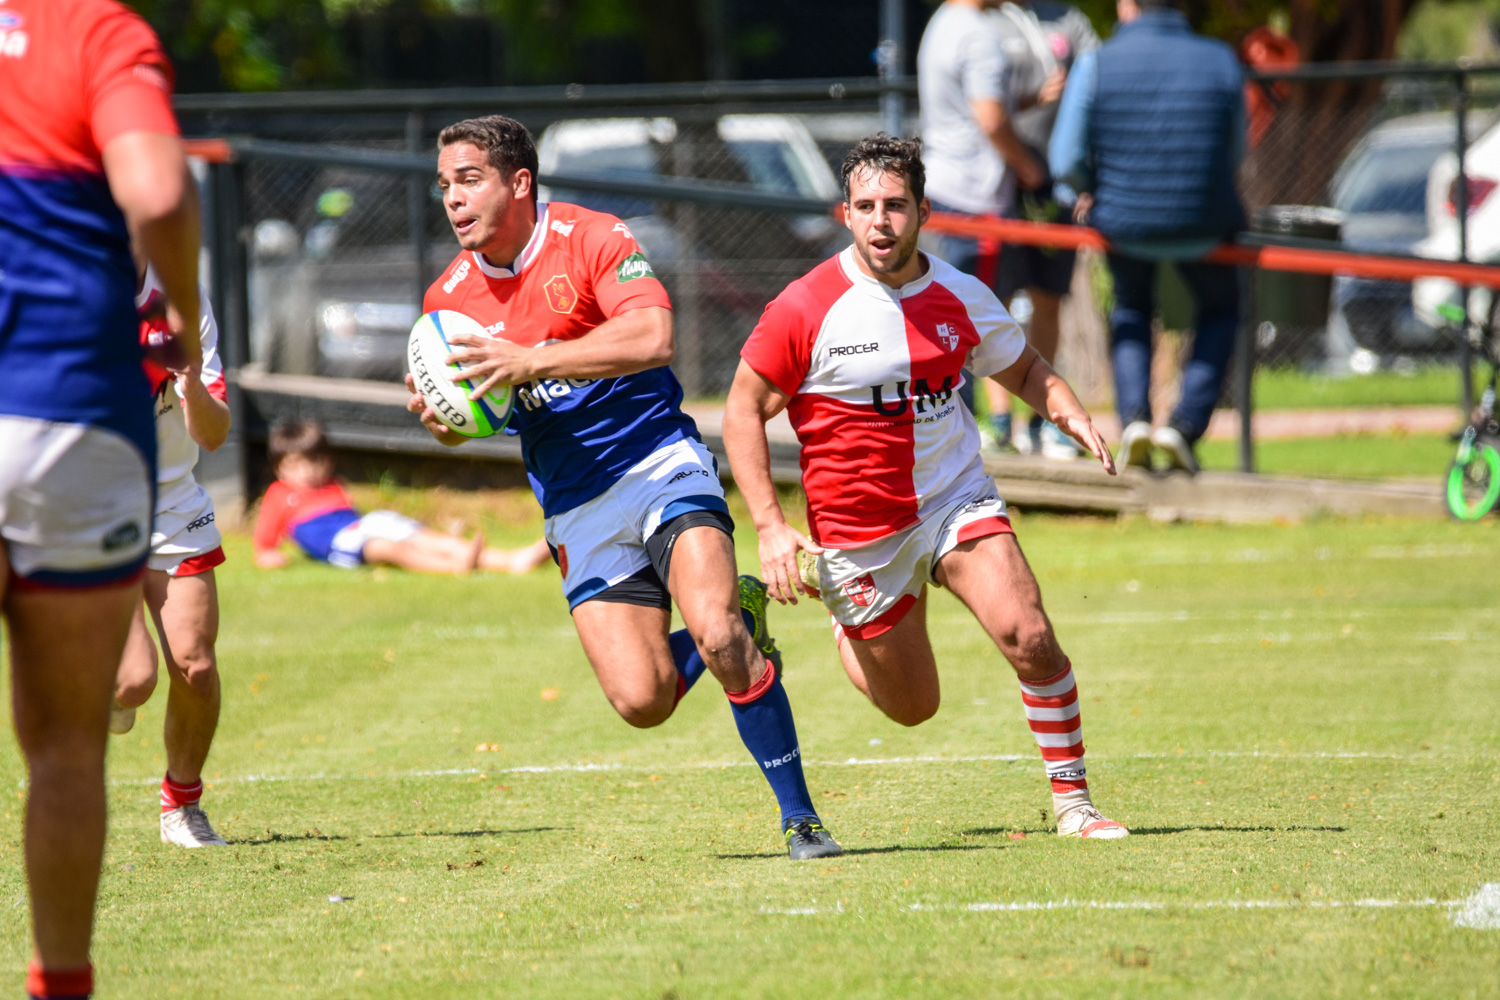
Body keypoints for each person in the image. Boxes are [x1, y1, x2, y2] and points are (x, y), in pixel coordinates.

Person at [405, 115, 840, 861]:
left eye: (469, 180)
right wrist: (444, 419)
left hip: (657, 463)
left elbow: (653, 337)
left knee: (719, 638)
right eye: (445, 184)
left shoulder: (593, 237)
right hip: (575, 502)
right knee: (643, 701)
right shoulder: (447, 300)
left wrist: (530, 360)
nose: (453, 198)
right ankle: (742, 607)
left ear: (519, 183)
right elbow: (473, 418)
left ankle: (801, 820)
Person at [723, 134, 1129, 841]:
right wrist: (769, 526)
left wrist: (1069, 413)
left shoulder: (961, 294)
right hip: (859, 532)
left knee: (1029, 634)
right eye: (866, 207)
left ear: (924, 212)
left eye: (896, 206)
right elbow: (741, 411)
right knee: (914, 708)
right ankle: (835, 601)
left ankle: (1075, 805)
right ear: (845, 214)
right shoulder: (805, 305)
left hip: (954, 500)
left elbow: (1024, 369)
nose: (881, 221)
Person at [0, 1, 202, 997]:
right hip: (67, 402)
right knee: (67, 747)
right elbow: (157, 191)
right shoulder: (93, 30)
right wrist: (188, 318)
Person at [1049, 0, 1247, 474]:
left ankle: (1135, 420)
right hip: (1204, 220)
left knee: (1131, 309)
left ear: (1127, 4)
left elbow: (1065, 158)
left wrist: (1091, 189)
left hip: (1124, 221)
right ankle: (1185, 424)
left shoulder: (1097, 63)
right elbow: (1237, 147)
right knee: (1221, 310)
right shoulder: (1221, 59)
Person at [109, 262, 232, 850]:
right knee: (133, 681)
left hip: (172, 500)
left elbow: (214, 434)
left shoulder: (181, 297)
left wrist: (191, 386)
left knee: (196, 666)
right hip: (89, 504)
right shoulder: (59, 288)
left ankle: (181, 804)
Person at [917, 0, 1045, 455]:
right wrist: (1030, 168)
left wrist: (1029, 100)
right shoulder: (979, 34)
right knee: (971, 319)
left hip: (945, 190)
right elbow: (990, 119)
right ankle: (961, 435)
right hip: (976, 199)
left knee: (947, 314)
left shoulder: (943, 22)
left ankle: (959, 430)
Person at [981, 0, 1100, 459]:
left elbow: (1095, 79)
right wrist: (1031, 99)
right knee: (995, 302)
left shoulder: (1071, 19)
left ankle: (1041, 422)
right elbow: (982, 104)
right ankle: (1000, 423)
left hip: (1055, 188)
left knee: (1049, 298)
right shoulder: (987, 19)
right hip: (1001, 185)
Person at [252, 420, 552, 576]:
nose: (306, 472)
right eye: (295, 465)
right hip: (339, 540)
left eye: (314, 462)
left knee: (429, 539)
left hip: (364, 523)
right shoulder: (280, 494)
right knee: (387, 548)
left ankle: (514, 560)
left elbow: (353, 516)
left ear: (327, 462)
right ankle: (454, 567)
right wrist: (268, 555)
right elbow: (264, 542)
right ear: (279, 468)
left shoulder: (333, 486)